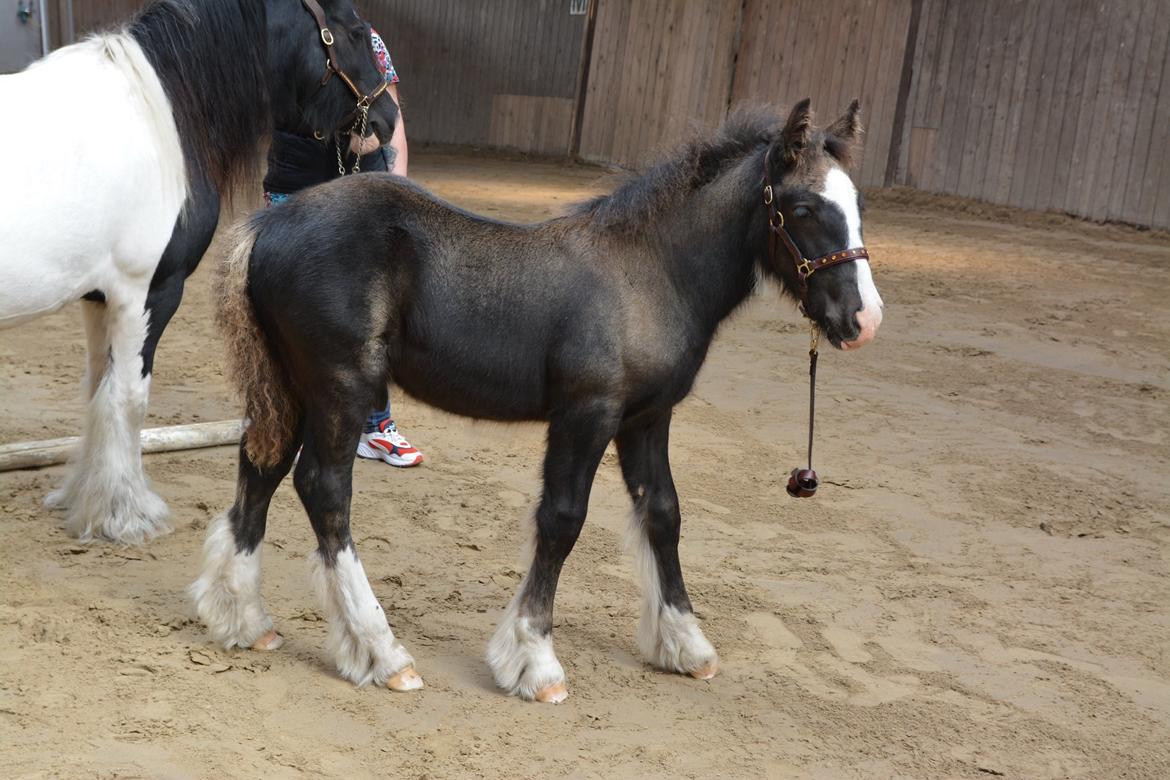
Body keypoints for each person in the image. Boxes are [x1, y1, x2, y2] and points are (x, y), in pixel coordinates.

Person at [262, 27, 422, 468]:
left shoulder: (366, 38)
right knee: (294, 307)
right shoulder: (282, 39)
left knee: (370, 306)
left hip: (363, 181)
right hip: (296, 180)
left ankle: (376, 425)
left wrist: (397, 190)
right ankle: (289, 425)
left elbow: (394, 121)